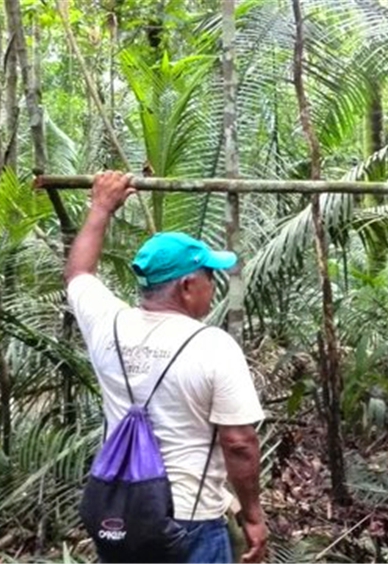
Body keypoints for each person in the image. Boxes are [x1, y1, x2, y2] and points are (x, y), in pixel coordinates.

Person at [65, 171, 268, 563]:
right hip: (188, 522)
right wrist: (253, 516)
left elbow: (78, 274)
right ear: (188, 286)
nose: (214, 285)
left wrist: (101, 208)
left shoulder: (108, 325)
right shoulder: (213, 346)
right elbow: (239, 443)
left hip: (120, 513)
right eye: (210, 275)